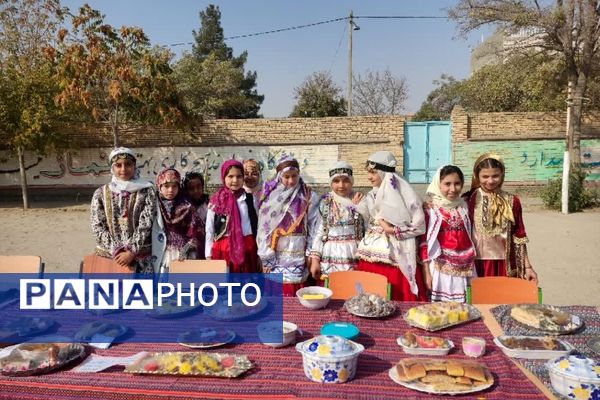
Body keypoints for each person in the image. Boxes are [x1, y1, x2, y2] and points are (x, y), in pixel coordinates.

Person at [356, 151, 427, 301]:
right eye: (369, 172)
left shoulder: (406, 194)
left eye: (373, 172)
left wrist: (394, 230)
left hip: (396, 254)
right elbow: (367, 219)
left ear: (383, 172)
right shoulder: (370, 195)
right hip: (372, 253)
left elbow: (419, 224)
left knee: (396, 295)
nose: (370, 177)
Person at [464, 153, 539, 282]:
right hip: (476, 264)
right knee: (479, 300)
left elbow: (519, 235)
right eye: (485, 176)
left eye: (495, 176)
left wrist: (527, 267)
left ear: (502, 175)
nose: (491, 181)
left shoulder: (512, 201)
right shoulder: (468, 200)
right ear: (477, 177)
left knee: (504, 299)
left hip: (505, 265)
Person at [256, 156, 319, 296]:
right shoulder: (270, 197)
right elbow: (263, 229)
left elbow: (314, 227)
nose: (291, 181)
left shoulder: (308, 195)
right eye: (286, 176)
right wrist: (266, 257)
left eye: (294, 176)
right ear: (279, 176)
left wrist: (311, 254)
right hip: (274, 253)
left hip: (298, 251)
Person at [90, 147, 156, 274]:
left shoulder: (147, 191)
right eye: (118, 165)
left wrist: (131, 252)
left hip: (140, 258)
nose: (123, 169)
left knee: (141, 293)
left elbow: (146, 223)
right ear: (112, 168)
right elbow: (97, 226)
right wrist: (117, 250)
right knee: (109, 294)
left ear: (134, 166)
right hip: (110, 258)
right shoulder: (100, 193)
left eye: (128, 164)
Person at [419, 165, 476, 302]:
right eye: (447, 184)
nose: (453, 189)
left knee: (465, 309)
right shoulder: (431, 210)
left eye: (457, 184)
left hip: (466, 266)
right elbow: (424, 242)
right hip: (440, 267)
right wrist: (426, 272)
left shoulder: (464, 206)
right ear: (438, 185)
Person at [309, 161, 365, 281]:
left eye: (345, 180)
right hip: (330, 256)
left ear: (352, 181)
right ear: (331, 183)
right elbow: (318, 232)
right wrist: (315, 260)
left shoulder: (360, 201)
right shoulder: (325, 203)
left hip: (353, 255)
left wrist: (360, 207)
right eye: (336, 181)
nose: (341, 185)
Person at [205, 159, 259, 273]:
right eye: (230, 176)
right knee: (226, 287)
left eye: (239, 176)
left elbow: (257, 227)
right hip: (223, 250)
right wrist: (208, 255)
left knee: (247, 287)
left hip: (247, 249)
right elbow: (209, 230)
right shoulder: (216, 202)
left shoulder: (249, 199)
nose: (235, 180)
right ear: (224, 177)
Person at [152, 168, 201, 275]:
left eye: (174, 186)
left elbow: (196, 231)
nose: (170, 190)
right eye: (166, 186)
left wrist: (187, 247)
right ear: (159, 187)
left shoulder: (187, 207)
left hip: (182, 253)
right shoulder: (153, 205)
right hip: (158, 250)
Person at [182, 171, 209, 259]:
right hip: (188, 248)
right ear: (186, 190)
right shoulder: (183, 207)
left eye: (199, 187)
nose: (196, 191)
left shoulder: (209, 204)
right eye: (191, 188)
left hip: (206, 246)